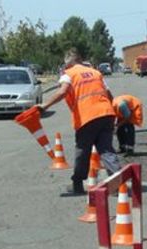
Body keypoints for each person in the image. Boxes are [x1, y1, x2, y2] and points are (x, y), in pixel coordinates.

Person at [38, 48, 121, 195]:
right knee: (107, 150)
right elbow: (109, 94)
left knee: (82, 151)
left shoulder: (69, 74)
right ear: (80, 60)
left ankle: (77, 184)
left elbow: (62, 91)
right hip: (106, 114)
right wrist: (114, 114)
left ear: (68, 64)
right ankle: (118, 184)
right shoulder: (95, 73)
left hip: (87, 117)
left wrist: (45, 106)